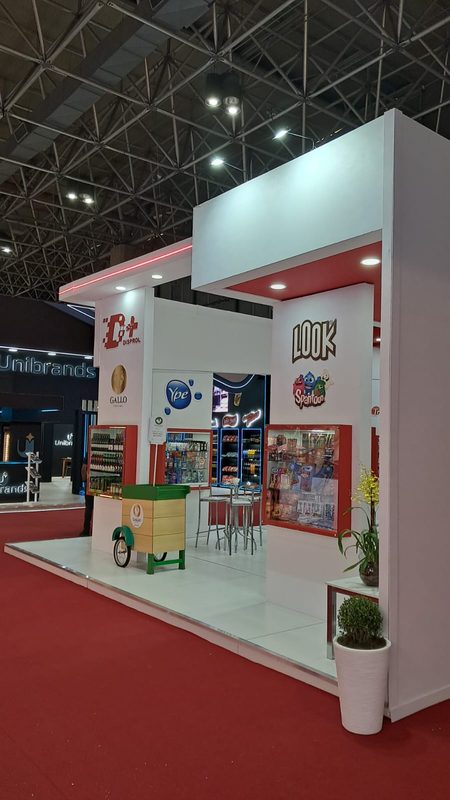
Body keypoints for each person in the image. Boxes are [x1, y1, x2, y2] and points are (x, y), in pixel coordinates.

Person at [80, 457, 93, 536]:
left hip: (90, 484)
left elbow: (83, 469)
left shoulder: (88, 455)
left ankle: (86, 530)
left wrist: (84, 480)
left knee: (89, 507)